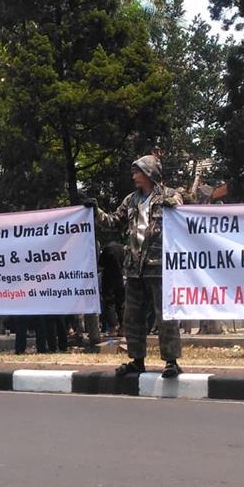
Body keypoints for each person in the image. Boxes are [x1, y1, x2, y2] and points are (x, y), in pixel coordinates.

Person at [90, 155, 183, 378]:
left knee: (165, 316)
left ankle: (171, 361)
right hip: (134, 268)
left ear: (149, 172)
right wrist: (94, 211)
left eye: (137, 171)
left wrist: (176, 209)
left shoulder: (169, 197)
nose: (134, 176)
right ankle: (137, 360)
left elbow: (185, 222)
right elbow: (113, 221)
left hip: (160, 266)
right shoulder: (131, 200)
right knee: (132, 316)